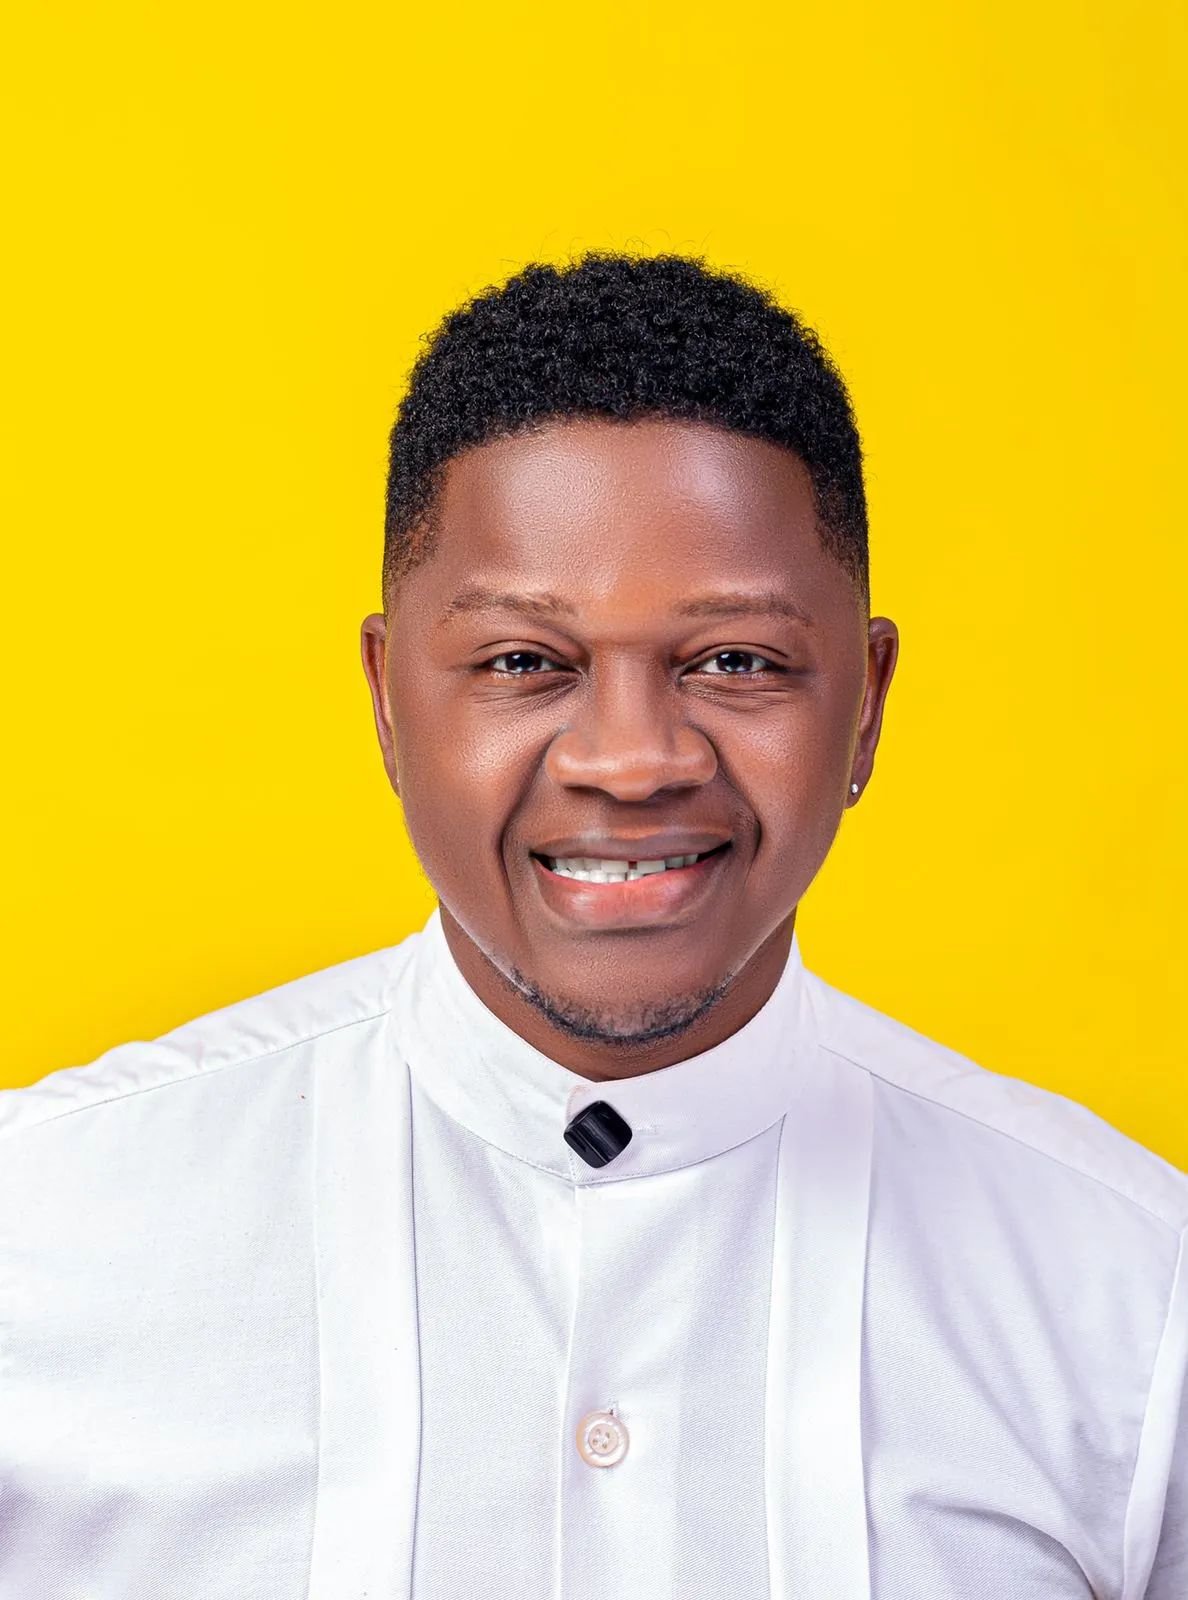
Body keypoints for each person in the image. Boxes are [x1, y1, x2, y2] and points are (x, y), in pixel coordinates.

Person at [1, 252, 1183, 1599]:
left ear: (866, 700)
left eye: (734, 660)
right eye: (523, 662)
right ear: (388, 698)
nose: (631, 761)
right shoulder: (37, 1235)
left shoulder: (1134, 1299)